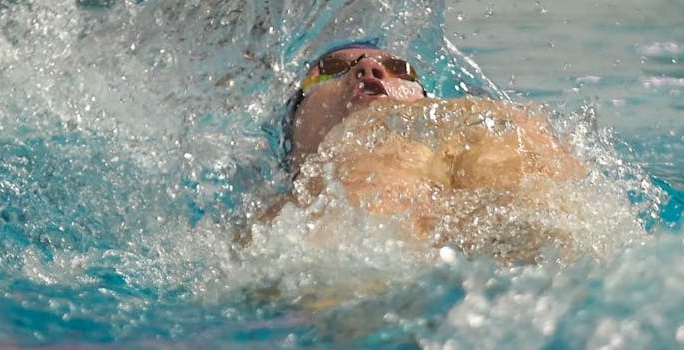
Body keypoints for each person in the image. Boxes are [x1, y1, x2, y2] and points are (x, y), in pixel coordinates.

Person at [251, 41, 591, 262]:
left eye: (401, 69)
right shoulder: (265, 228)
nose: (369, 69)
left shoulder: (493, 129)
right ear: (292, 133)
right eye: (332, 69)